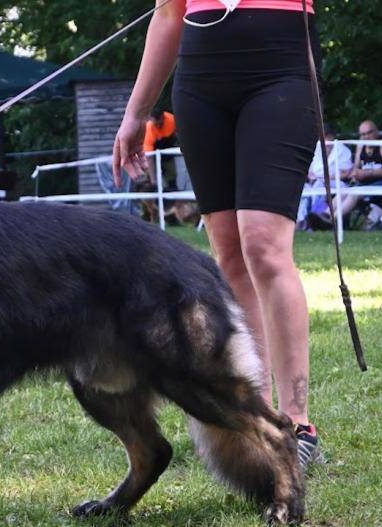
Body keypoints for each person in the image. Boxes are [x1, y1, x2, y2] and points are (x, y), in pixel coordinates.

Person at [113, 0, 322, 468]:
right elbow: (168, 15)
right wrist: (136, 114)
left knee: (263, 245)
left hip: (280, 67)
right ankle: (257, 415)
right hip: (202, 78)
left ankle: (297, 422)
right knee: (228, 251)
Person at [301, 123, 353, 230]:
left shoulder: (342, 150)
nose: (323, 139)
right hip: (317, 182)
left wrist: (328, 178)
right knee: (309, 190)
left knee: (332, 189)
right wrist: (313, 176)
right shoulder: (316, 149)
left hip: (337, 182)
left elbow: (347, 173)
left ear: (331, 136)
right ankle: (304, 221)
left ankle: (320, 218)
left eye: (326, 136)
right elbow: (309, 170)